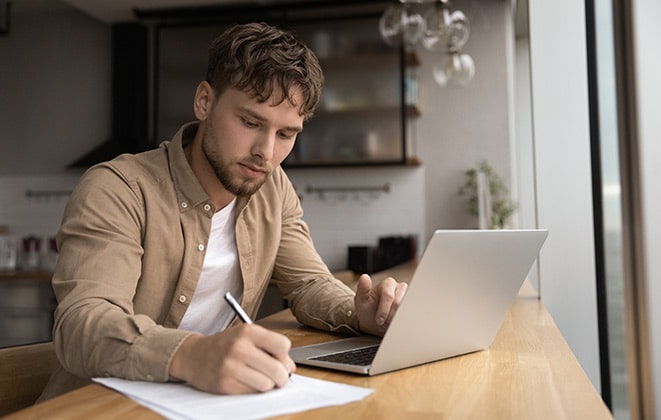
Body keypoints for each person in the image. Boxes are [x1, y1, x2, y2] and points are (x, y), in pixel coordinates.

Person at [39, 22, 408, 400]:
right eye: (250, 122)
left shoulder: (273, 185)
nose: (266, 152)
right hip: (100, 405)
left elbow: (309, 284)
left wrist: (360, 312)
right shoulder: (118, 188)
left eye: (286, 134)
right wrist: (190, 353)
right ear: (204, 101)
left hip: (202, 402)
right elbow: (81, 324)